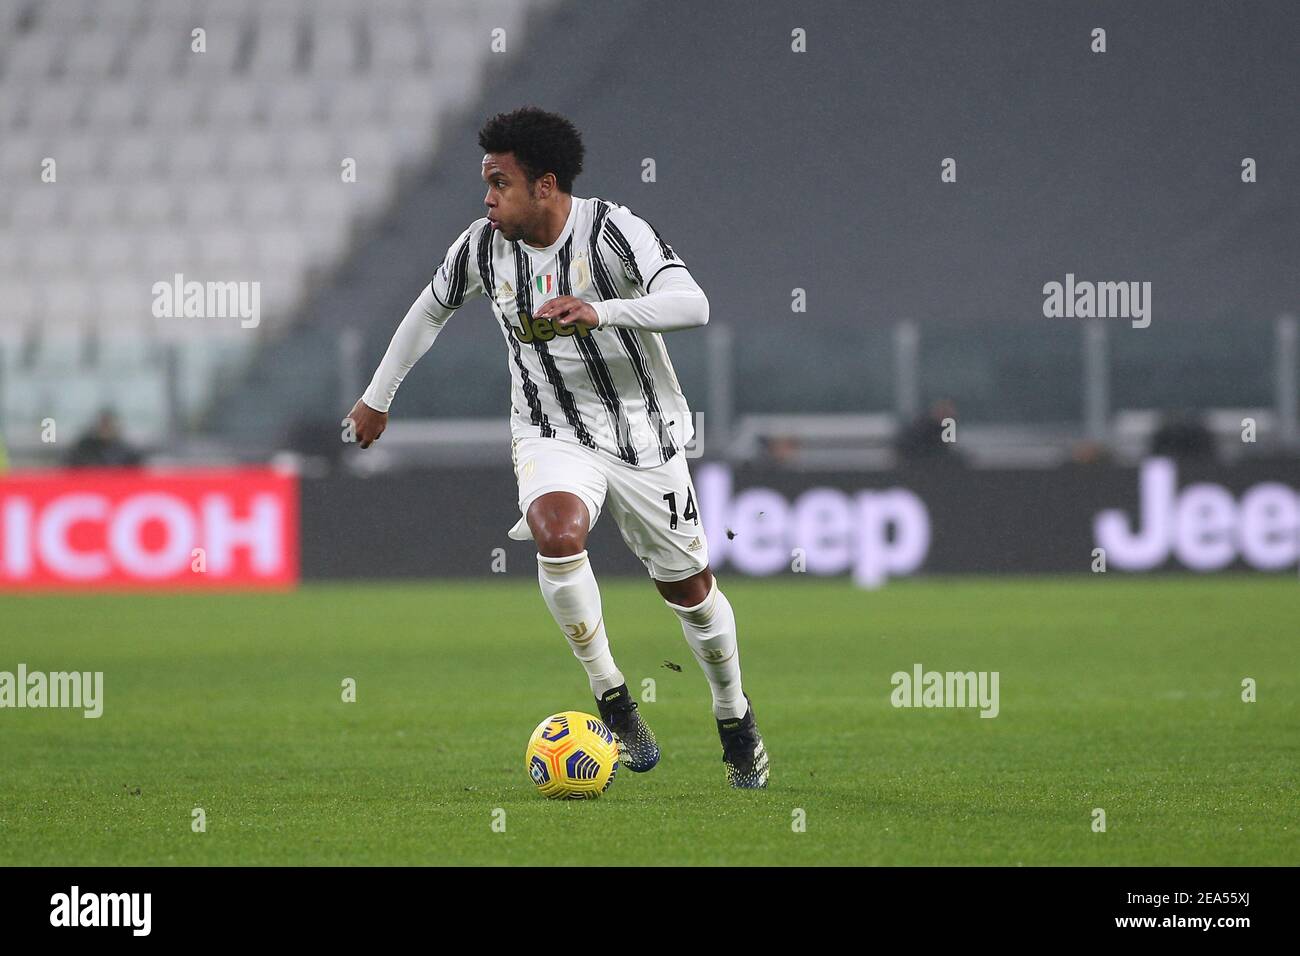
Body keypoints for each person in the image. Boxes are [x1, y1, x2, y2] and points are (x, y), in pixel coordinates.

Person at [346, 107, 768, 789]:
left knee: (690, 594)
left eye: (499, 183)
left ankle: (733, 715)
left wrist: (601, 309)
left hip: (643, 431)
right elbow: (430, 308)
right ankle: (613, 696)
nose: (487, 198)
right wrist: (377, 396)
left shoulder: (614, 232)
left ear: (544, 186)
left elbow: (694, 305)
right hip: (551, 428)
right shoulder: (481, 246)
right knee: (556, 531)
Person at [66, 408, 142, 468]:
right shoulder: (84, 449)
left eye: (108, 425)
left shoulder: (126, 451)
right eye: (103, 424)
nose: (105, 429)